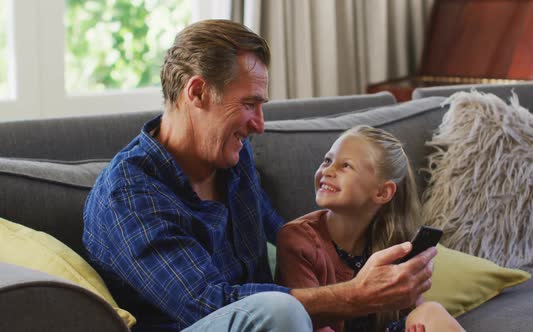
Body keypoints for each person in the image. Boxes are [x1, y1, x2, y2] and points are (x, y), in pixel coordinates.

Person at [83, 19, 436, 332]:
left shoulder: (231, 158)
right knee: (281, 310)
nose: (260, 125)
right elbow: (207, 303)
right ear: (197, 92)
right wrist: (356, 296)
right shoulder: (128, 195)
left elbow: (282, 234)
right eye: (249, 104)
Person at [276, 125, 464, 332]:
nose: (327, 170)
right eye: (328, 160)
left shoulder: (398, 242)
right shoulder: (297, 240)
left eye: (345, 166)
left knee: (430, 312)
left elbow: (413, 310)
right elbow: (306, 321)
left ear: (383, 193)